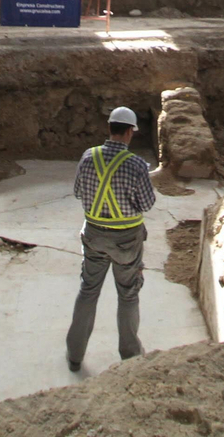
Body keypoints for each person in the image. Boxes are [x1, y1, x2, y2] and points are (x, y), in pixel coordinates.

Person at [65, 106, 156, 371]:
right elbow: (147, 204)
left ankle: (75, 355)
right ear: (130, 132)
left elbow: (78, 192)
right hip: (127, 240)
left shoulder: (87, 157)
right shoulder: (137, 166)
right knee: (128, 295)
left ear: (109, 129)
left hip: (93, 235)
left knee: (88, 291)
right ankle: (130, 357)